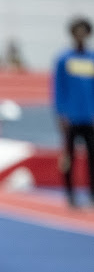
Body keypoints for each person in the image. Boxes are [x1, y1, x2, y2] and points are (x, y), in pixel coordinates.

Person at [53, 16, 94, 207]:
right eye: (77, 32)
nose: (80, 36)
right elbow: (58, 88)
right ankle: (70, 194)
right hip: (70, 118)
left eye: (83, 32)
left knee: (92, 157)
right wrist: (61, 114)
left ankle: (92, 194)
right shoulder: (64, 59)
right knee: (68, 157)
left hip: (89, 117)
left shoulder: (91, 59)